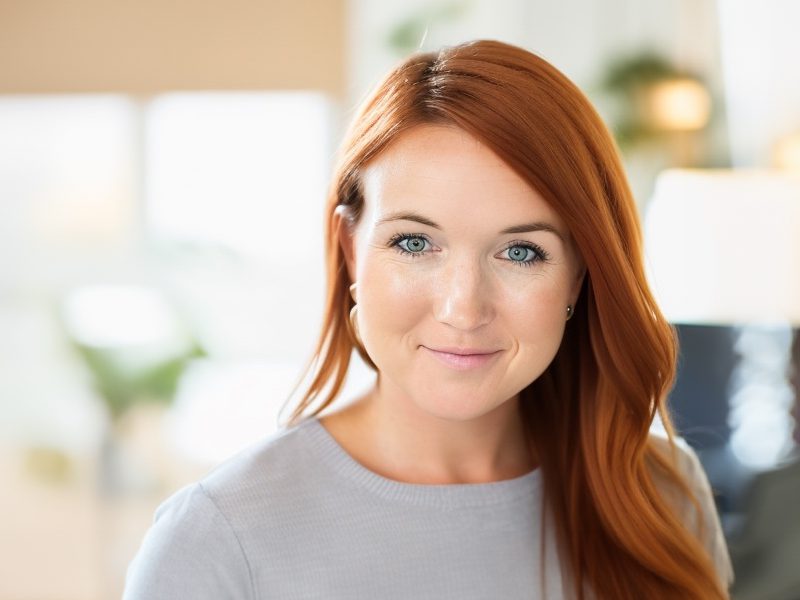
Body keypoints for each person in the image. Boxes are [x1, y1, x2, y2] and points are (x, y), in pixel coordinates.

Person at [122, 39, 734, 599]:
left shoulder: (660, 497)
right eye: (415, 243)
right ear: (350, 249)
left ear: (579, 273)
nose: (462, 309)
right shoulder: (217, 542)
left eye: (522, 252)